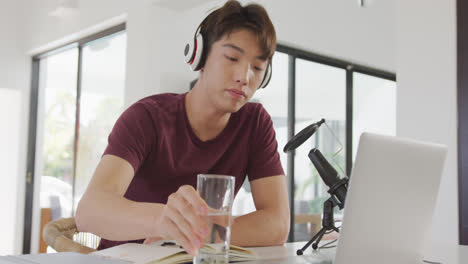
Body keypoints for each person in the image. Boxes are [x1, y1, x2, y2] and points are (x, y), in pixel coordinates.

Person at [75, 0, 290, 256]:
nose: (245, 77)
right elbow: (90, 212)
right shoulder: (146, 117)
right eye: (232, 58)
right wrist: (162, 220)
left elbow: (277, 225)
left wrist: (188, 234)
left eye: (257, 67)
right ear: (199, 56)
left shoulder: (255, 123)